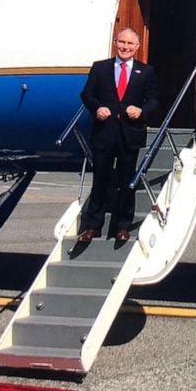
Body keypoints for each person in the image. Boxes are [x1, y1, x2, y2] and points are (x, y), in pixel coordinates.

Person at [79, 27, 159, 242]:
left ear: (137, 47)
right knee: (100, 180)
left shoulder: (146, 71)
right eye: (122, 42)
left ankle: (122, 226)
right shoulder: (100, 68)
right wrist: (97, 108)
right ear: (116, 42)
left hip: (129, 134)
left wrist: (142, 111)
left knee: (126, 181)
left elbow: (153, 100)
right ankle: (93, 226)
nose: (125, 47)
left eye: (130, 44)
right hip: (104, 133)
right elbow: (86, 94)